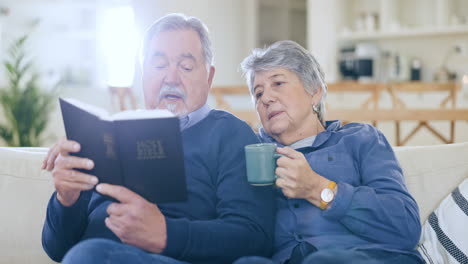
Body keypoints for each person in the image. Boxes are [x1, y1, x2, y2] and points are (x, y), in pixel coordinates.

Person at [41, 13, 275, 264]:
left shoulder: (231, 134)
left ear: (208, 77)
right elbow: (57, 249)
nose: (171, 78)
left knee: (90, 255)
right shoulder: (106, 136)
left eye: (185, 67)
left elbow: (255, 237)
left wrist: (166, 234)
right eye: (159, 65)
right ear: (143, 73)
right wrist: (66, 200)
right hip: (91, 255)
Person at [234, 40, 423, 264]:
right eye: (258, 93)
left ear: (315, 92)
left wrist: (319, 188)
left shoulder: (360, 139)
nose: (265, 98)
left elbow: (406, 228)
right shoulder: (250, 155)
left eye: (278, 83)